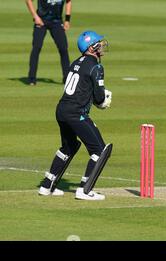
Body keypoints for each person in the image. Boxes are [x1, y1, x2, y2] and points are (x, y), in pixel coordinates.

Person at [38, 30, 113, 200]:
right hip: (76, 113)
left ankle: (46, 186)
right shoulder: (96, 66)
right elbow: (100, 98)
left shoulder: (75, 62)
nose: (101, 45)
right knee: (99, 150)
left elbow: (81, 89)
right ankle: (84, 190)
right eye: (99, 43)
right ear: (91, 47)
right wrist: (104, 101)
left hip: (62, 110)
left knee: (69, 146)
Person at [25, 0, 72, 85]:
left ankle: (67, 78)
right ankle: (32, 78)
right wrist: (35, 16)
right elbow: (28, 1)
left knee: (63, 48)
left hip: (57, 22)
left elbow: (68, 2)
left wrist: (67, 20)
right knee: (37, 47)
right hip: (41, 21)